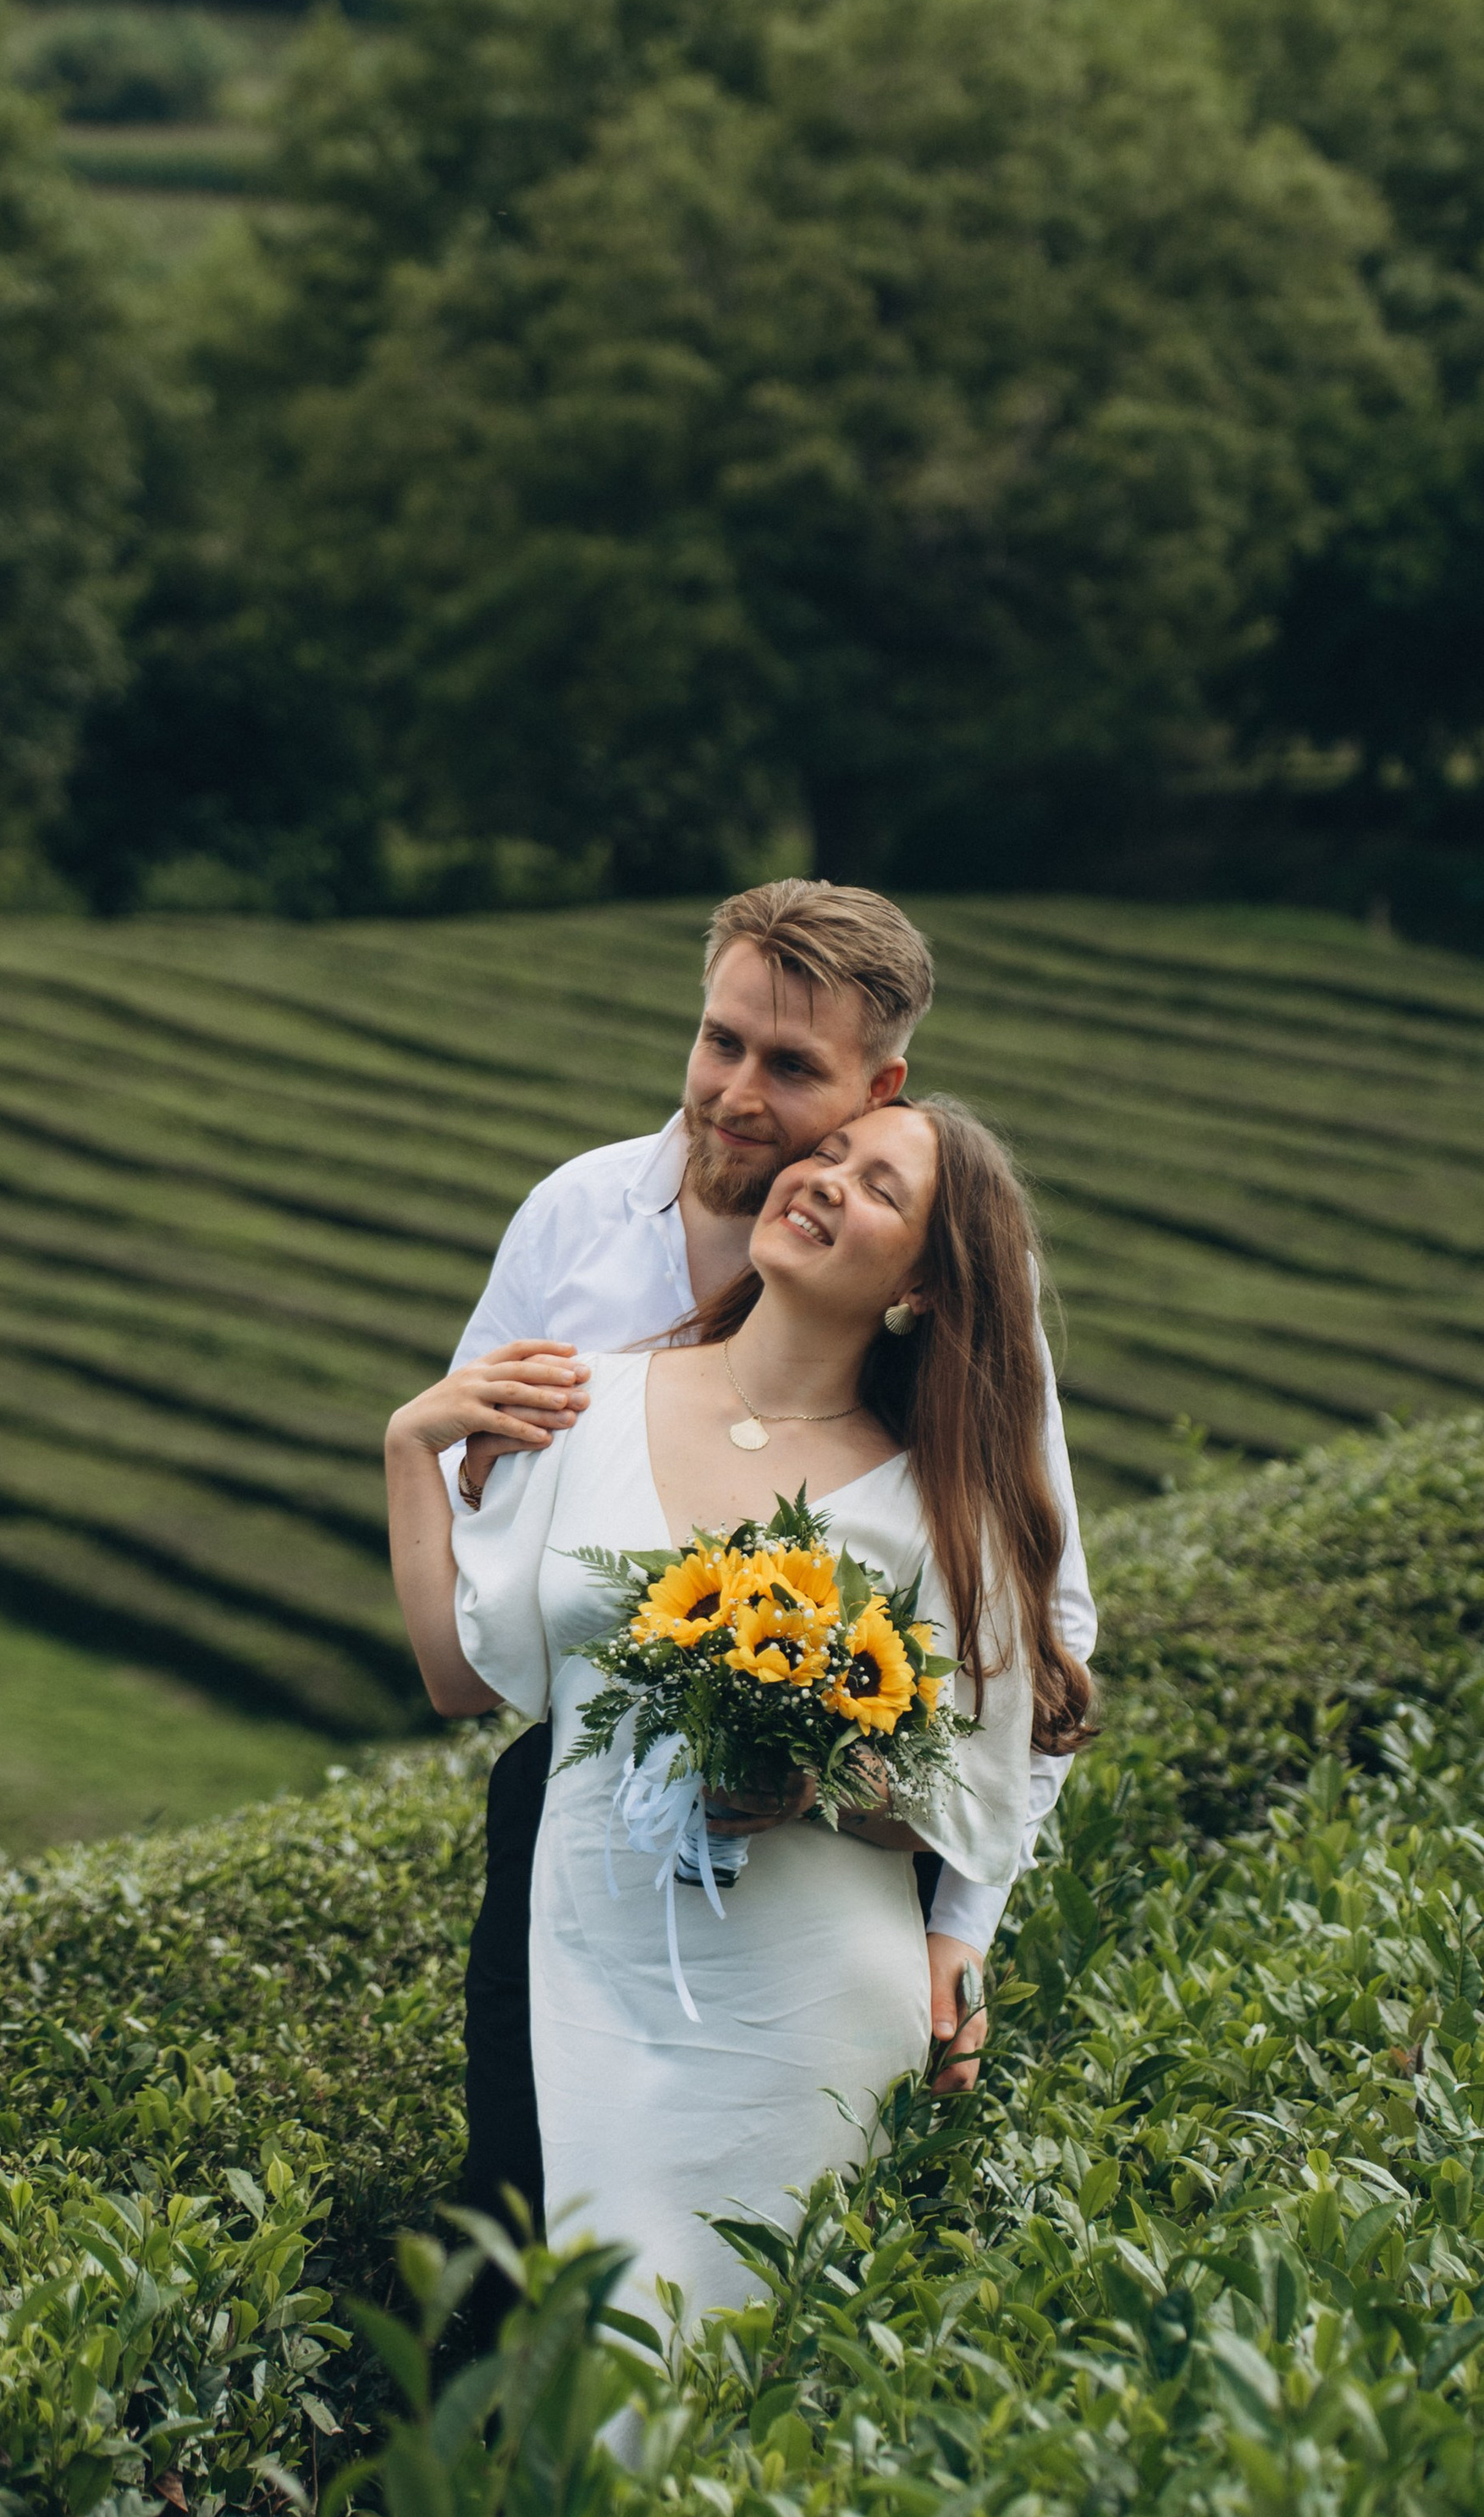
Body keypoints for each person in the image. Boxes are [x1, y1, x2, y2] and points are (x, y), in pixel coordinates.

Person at [434, 880, 1095, 2277]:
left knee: (753, 2266)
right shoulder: (572, 1217)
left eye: (791, 1067)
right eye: (720, 1040)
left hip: (832, 1843)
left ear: (880, 1082)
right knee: (517, 2228)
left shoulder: (953, 1269)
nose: (736, 1095)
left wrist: (958, 1935)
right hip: (579, 1808)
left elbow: (1041, 1615)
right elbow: (469, 1485)